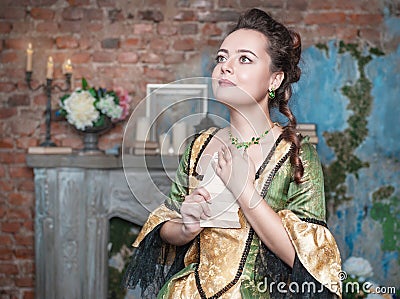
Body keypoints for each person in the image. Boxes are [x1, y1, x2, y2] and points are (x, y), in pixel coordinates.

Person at [123, 8, 342, 299]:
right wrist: (186, 228)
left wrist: (244, 190)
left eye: (244, 59)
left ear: (274, 80)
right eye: (222, 58)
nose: (225, 67)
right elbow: (165, 228)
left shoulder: (297, 155)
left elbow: (307, 259)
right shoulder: (198, 146)